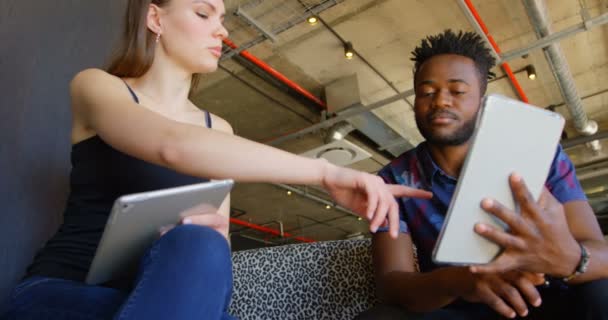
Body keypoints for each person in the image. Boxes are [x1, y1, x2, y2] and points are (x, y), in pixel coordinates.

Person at [1, 1, 433, 319]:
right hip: (64, 294)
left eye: (223, 19)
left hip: (167, 299)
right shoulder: (98, 87)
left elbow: (215, 261)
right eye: (204, 14)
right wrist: (324, 172)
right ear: (155, 19)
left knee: (203, 244)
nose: (222, 31)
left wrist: (212, 237)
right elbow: (172, 144)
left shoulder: (218, 129)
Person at [356, 30, 608, 320]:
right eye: (426, 92)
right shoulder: (393, 179)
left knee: (602, 292)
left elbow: (599, 253)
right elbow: (392, 285)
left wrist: (570, 259)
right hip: (462, 310)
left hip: (546, 301)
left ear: (482, 100)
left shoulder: (541, 156)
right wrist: (462, 280)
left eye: (458, 91)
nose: (440, 101)